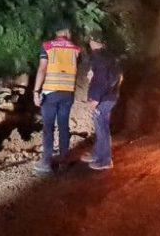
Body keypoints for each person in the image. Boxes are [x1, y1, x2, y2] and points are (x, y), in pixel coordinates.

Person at [32, 21, 81, 174]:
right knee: (63, 126)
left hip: (50, 92)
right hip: (67, 93)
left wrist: (36, 91)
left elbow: (42, 69)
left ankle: (46, 163)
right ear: (66, 32)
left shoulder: (47, 46)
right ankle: (64, 161)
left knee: (48, 127)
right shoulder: (76, 49)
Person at [82, 31, 121, 170]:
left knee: (101, 128)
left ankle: (104, 160)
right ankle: (98, 154)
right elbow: (116, 77)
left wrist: (95, 99)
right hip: (110, 96)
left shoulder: (98, 57)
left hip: (103, 98)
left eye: (91, 40)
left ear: (94, 42)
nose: (89, 42)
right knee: (101, 127)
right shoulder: (109, 57)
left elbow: (100, 80)